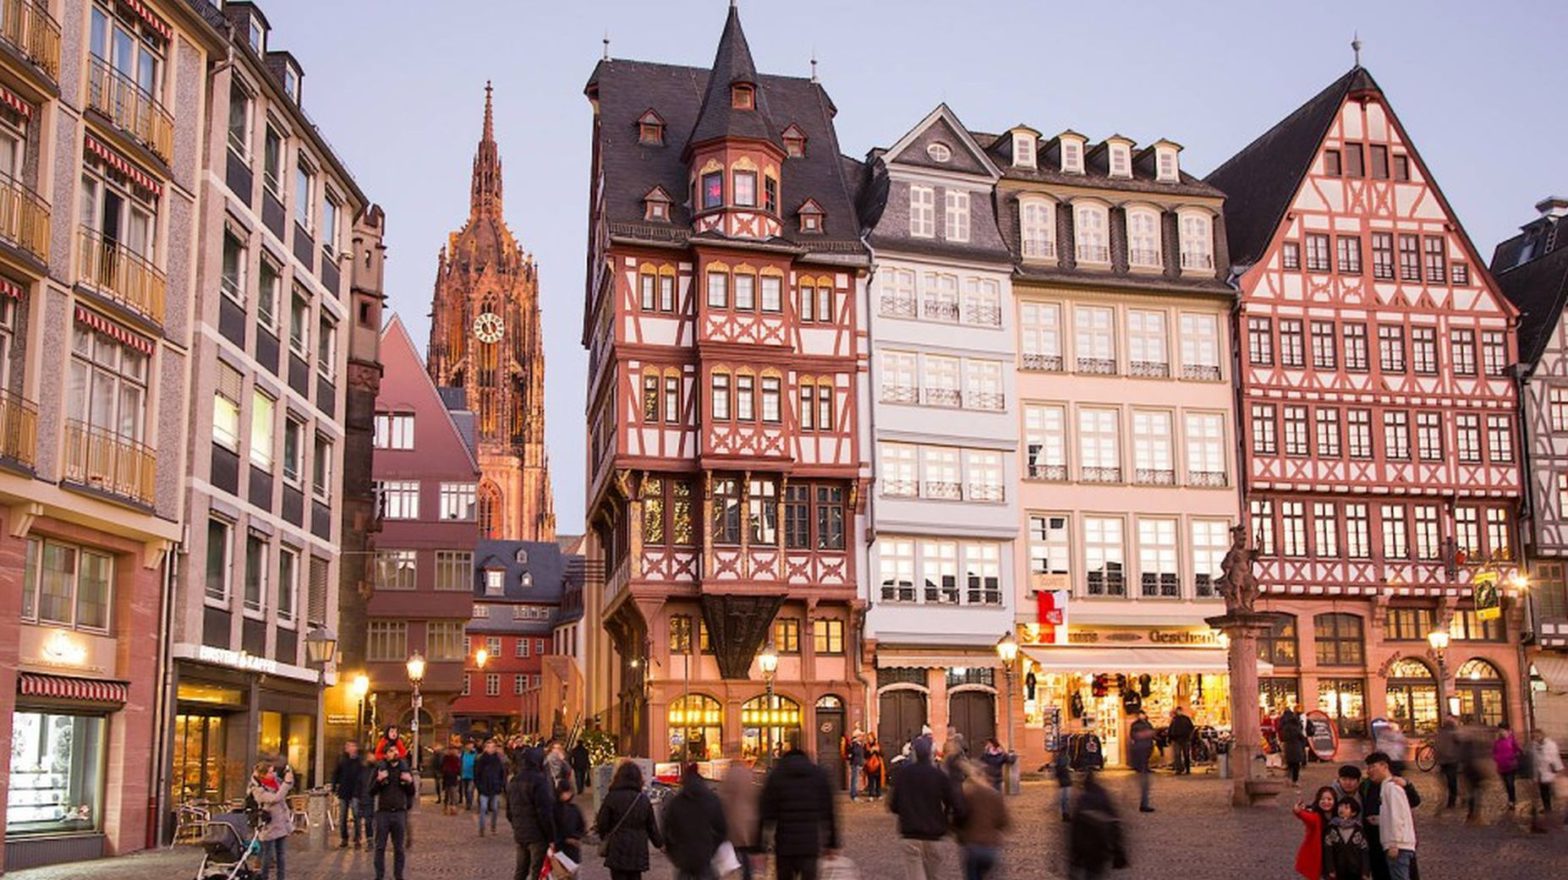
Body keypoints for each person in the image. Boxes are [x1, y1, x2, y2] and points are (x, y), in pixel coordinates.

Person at [759, 738, 839, 880]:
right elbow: (829, 812)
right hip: (809, 846)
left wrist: (761, 846)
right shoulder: (818, 775)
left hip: (784, 846)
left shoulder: (776, 776)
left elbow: (765, 814)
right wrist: (832, 843)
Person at [888, 735, 960, 880]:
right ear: (930, 754)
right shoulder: (939, 775)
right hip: (934, 834)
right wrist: (946, 820)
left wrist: (907, 812)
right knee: (934, 876)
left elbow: (893, 805)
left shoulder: (903, 775)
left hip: (910, 834)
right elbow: (954, 803)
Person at [595, 760, 664, 880]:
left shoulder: (612, 797)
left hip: (617, 847)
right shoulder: (642, 799)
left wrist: (604, 836)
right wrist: (660, 844)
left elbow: (602, 823)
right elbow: (651, 826)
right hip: (637, 848)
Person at [662, 763, 728, 880]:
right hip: (704, 857)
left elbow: (667, 831)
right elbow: (722, 830)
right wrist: (711, 848)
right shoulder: (712, 799)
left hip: (684, 859)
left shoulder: (676, 802)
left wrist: (674, 854)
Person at [506, 746, 557, 880]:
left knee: (521, 870)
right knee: (537, 871)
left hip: (521, 832)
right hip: (537, 835)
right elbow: (544, 812)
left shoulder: (514, 780)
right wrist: (551, 836)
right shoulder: (539, 781)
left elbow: (509, 811)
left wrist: (517, 825)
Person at [1066, 771, 1126, 880]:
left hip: (1085, 848)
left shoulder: (1082, 801)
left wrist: (1073, 859)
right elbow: (1114, 825)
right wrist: (1118, 851)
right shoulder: (1104, 798)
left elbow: (1075, 832)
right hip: (1100, 848)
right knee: (1095, 874)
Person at [955, 759, 1009, 880]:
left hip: (972, 845)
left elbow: (959, 818)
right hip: (990, 846)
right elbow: (1003, 821)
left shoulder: (968, 795)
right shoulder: (995, 796)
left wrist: (960, 834)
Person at [1365, 752, 1416, 880]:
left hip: (1398, 846)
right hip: (1394, 845)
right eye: (1368, 767)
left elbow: (1398, 816)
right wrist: (1378, 820)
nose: (1369, 771)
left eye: (1372, 767)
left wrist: (1394, 843)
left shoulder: (1392, 788)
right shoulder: (1385, 787)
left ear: (1384, 766)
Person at [370, 753, 416, 880]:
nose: (393, 753)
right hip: (383, 813)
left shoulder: (404, 769)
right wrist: (379, 780)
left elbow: (411, 792)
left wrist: (410, 782)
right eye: (390, 751)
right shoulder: (380, 769)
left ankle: (398, 875)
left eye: (395, 750)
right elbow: (371, 791)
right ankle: (379, 875)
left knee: (399, 848)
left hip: (399, 813)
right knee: (380, 847)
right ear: (386, 755)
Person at [247, 760, 293, 880]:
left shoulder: (275, 781)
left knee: (281, 855)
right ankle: (264, 877)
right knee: (267, 855)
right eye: (270, 772)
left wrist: (288, 776)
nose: (273, 774)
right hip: (268, 823)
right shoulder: (257, 788)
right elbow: (274, 798)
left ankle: (281, 878)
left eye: (273, 771)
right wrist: (287, 783)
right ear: (263, 774)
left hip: (281, 821)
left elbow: (287, 786)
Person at [720, 761, 761, 880]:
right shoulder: (749, 775)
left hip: (733, 820)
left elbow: (724, 798)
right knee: (745, 853)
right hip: (748, 820)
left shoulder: (729, 775)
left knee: (733, 851)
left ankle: (733, 874)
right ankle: (747, 876)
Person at [331, 740, 370, 849]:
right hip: (344, 791)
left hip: (356, 792)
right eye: (347, 746)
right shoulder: (342, 760)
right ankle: (344, 838)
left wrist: (363, 790)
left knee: (356, 815)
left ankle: (357, 838)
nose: (349, 748)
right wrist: (334, 786)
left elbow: (363, 776)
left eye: (351, 746)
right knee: (342, 816)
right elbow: (336, 773)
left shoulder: (360, 761)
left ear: (355, 748)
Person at [1291, 786, 1336, 880]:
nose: (1326, 802)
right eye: (1322, 799)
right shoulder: (1316, 816)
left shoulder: (1338, 815)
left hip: (1333, 855)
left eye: (1329, 799)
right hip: (1318, 855)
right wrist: (1299, 812)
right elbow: (1307, 818)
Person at [1325, 798, 1370, 880]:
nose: (1342, 809)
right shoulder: (1332, 828)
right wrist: (1330, 869)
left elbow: (1364, 851)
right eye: (1340, 806)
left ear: (1353, 813)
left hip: (1355, 869)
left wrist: (1365, 872)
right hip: (1338, 869)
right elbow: (1328, 850)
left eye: (1346, 807)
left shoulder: (1358, 830)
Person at [474, 739, 507, 836]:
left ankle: (493, 827)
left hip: (495, 787)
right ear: (485, 748)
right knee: (483, 808)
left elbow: (502, 774)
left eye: (493, 747)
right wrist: (479, 786)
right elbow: (477, 775)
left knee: (495, 808)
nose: (491, 749)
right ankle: (482, 828)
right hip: (484, 787)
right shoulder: (480, 760)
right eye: (489, 747)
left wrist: (500, 784)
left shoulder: (498, 760)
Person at [1127, 712, 1156, 812]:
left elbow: (1153, 733)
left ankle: (1144, 803)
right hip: (1140, 755)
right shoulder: (1136, 725)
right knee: (1143, 783)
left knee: (1144, 783)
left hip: (1145, 754)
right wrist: (1144, 734)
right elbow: (1134, 736)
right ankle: (1143, 804)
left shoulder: (1147, 724)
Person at [1531, 727, 1564, 814]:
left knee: (1556, 792)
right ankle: (1547, 808)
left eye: (1537, 736)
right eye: (1534, 737)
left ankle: (1563, 812)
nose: (1536, 738)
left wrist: (1559, 770)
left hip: (1550, 771)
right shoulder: (1534, 746)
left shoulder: (1551, 744)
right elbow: (1535, 762)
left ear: (1542, 735)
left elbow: (1555, 758)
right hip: (1541, 773)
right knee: (1544, 792)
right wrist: (1535, 776)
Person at [554, 779, 587, 865]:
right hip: (560, 849)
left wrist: (577, 837)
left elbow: (582, 826)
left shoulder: (574, 809)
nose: (567, 795)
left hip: (572, 848)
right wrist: (565, 839)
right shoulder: (554, 809)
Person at [1493, 721, 1523, 811]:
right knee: (1506, 784)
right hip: (1501, 767)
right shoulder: (1497, 741)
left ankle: (1512, 800)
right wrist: (1496, 758)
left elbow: (1518, 750)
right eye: (1500, 730)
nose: (1501, 732)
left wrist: (1513, 757)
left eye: (1503, 730)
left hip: (1511, 766)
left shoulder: (1512, 739)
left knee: (1510, 784)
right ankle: (1510, 799)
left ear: (1507, 731)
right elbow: (1494, 752)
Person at [1434, 719, 1462, 811]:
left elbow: (1437, 747)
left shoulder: (1440, 733)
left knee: (1447, 782)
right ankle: (1452, 801)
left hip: (1443, 761)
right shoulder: (1454, 734)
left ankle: (1451, 800)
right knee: (1452, 782)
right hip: (1451, 760)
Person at [1279, 705, 1308, 785]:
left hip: (1288, 748)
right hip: (1296, 748)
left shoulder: (1285, 728)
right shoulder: (1296, 728)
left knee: (1290, 765)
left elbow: (1283, 736)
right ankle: (1295, 781)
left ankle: (1288, 780)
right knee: (1296, 766)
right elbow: (1301, 737)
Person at [1168, 707, 1195, 775]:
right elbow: (1171, 730)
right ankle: (1180, 769)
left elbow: (1191, 728)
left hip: (1184, 739)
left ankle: (1186, 769)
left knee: (1185, 754)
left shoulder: (1183, 719)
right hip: (1179, 739)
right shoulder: (1176, 719)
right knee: (1178, 754)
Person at [1053, 741, 1074, 822]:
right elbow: (1065, 768)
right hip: (1066, 781)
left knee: (1063, 799)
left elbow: (1056, 773)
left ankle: (1064, 814)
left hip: (1062, 781)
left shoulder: (1058, 758)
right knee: (1066, 799)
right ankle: (1066, 814)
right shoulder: (1065, 758)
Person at [440, 745, 462, 815]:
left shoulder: (457, 759)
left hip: (454, 778)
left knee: (453, 793)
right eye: (452, 750)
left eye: (455, 750)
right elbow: (442, 767)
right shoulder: (446, 758)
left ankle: (453, 808)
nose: (454, 751)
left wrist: (459, 775)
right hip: (447, 778)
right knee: (447, 794)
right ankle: (446, 807)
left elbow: (459, 768)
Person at [846, 730, 867, 802]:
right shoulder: (854, 745)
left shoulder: (859, 744)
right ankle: (854, 795)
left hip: (858, 763)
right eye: (861, 736)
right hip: (855, 763)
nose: (862, 737)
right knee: (854, 780)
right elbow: (854, 753)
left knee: (856, 780)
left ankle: (854, 795)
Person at [864, 736, 886, 800]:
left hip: (878, 765)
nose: (870, 740)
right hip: (870, 766)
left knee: (878, 781)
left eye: (871, 739)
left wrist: (877, 751)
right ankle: (871, 795)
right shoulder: (866, 746)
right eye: (869, 739)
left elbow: (882, 754)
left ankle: (878, 794)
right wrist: (870, 751)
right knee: (871, 781)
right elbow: (865, 755)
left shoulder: (877, 745)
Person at [460, 741, 477, 811]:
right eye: (469, 745)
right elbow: (460, 763)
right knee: (465, 791)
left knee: (470, 790)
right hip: (464, 775)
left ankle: (469, 803)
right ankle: (467, 802)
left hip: (472, 775)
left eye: (471, 745)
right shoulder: (463, 754)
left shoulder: (475, 754)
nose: (470, 746)